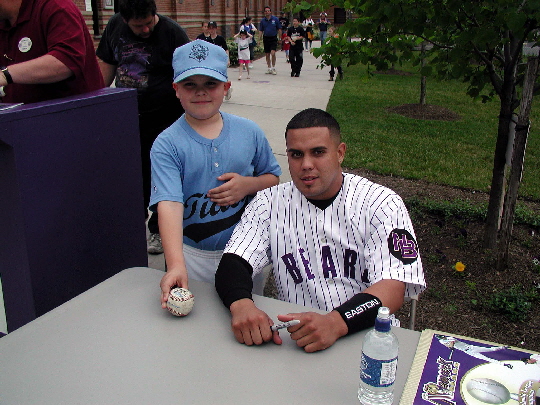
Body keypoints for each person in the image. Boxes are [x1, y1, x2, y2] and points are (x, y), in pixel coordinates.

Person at [215, 108, 426, 353]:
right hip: (296, 340)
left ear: (340, 153)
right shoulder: (268, 203)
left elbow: (393, 287)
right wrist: (241, 305)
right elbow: (233, 262)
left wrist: (335, 323)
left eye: (318, 152)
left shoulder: (381, 203)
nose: (306, 164)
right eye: (296, 154)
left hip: (370, 339)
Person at [151, 40, 282, 310]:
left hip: (244, 251)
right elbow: (170, 203)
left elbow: (272, 178)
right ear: (176, 89)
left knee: (247, 317)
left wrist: (248, 185)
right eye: (190, 85)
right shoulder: (167, 144)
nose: (201, 92)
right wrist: (176, 264)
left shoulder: (249, 131)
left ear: (226, 87)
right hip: (192, 253)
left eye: (210, 84)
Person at [97, 0, 190, 255]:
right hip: (126, 119)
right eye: (139, 26)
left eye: (149, 22)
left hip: (164, 121)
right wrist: (98, 104)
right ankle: (130, 227)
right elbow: (105, 65)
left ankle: (159, 231)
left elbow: (188, 76)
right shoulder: (115, 26)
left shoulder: (173, 34)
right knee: (129, 176)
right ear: (125, 19)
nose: (146, 30)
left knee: (160, 178)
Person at [0, 0, 104, 104]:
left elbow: (66, 61)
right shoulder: (4, 20)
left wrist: (5, 75)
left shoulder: (56, 6)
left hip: (74, 113)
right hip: (22, 116)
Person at [199, 21, 232, 100]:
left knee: (222, 77)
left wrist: (228, 59)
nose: (211, 30)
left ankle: (227, 89)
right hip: (210, 62)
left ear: (216, 28)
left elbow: (226, 50)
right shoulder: (207, 40)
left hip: (220, 61)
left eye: (213, 28)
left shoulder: (220, 39)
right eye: (210, 28)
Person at [259, 6, 282, 75]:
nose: (267, 12)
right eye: (265, 11)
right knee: (267, 54)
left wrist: (280, 38)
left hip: (273, 38)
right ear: (264, 12)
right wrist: (259, 39)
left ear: (270, 12)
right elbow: (260, 30)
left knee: (273, 53)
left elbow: (279, 29)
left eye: (268, 11)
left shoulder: (275, 19)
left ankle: (273, 67)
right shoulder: (262, 21)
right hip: (266, 38)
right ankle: (269, 68)